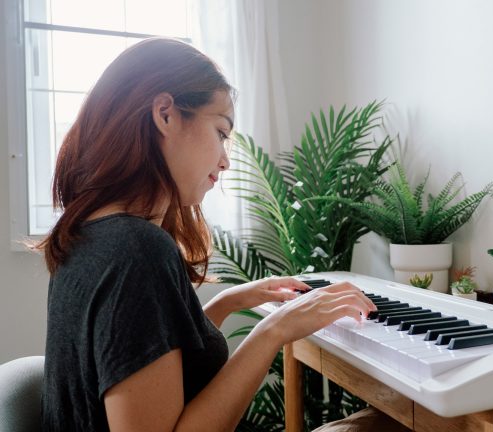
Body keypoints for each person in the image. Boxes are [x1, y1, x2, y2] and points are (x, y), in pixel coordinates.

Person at [38, 37, 396, 431]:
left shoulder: (86, 234)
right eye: (221, 132)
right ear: (165, 114)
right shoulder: (137, 250)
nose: (225, 160)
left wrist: (225, 303)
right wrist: (273, 331)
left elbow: (139, 362)